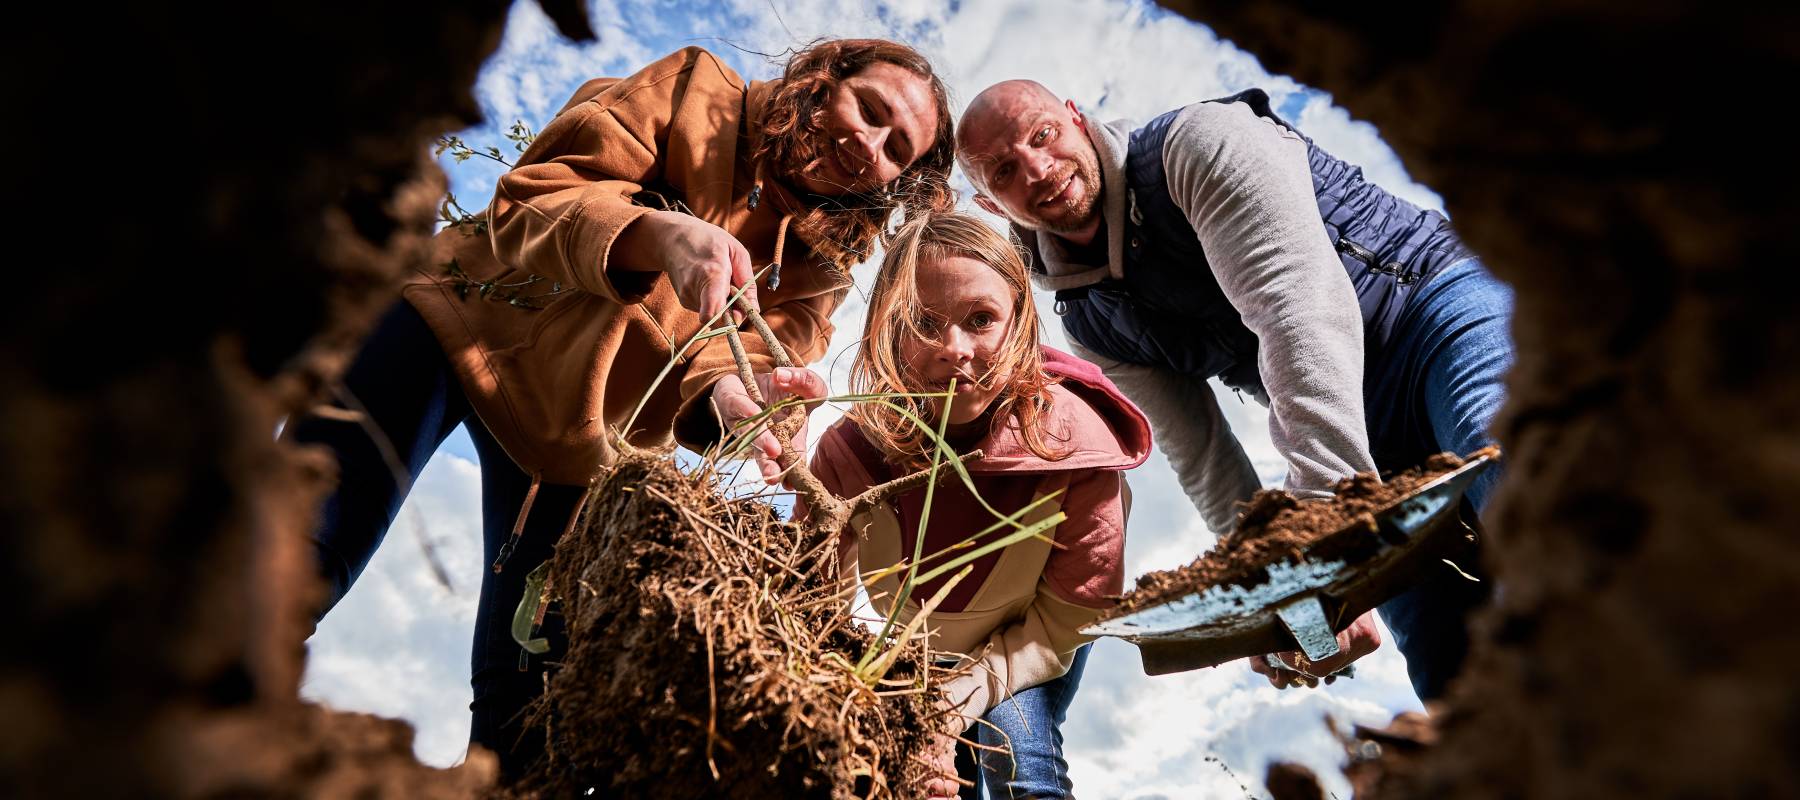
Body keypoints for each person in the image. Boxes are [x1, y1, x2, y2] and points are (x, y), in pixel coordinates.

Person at [286, 40, 955, 778]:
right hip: (452, 328)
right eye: (871, 111)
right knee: (297, 555)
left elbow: (759, 362)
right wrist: (659, 233)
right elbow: (534, 198)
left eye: (898, 147)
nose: (871, 144)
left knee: (529, 703)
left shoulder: (822, 260)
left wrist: (742, 399)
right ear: (824, 77)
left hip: (581, 445)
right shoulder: (695, 90)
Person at [956, 79, 1513, 702]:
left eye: (1043, 134)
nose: (1037, 167)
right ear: (991, 204)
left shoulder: (1199, 144)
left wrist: (1323, 553)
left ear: (1077, 118)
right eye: (1005, 170)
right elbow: (1202, 456)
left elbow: (1299, 311)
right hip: (1366, 436)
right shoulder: (1089, 319)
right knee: (1451, 668)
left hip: (1430, 310)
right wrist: (1280, 602)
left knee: (1520, 482)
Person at [806, 212, 1150, 799]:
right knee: (927, 779)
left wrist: (955, 703)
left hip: (1032, 640)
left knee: (1019, 757)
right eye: (922, 322)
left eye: (981, 320)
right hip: (918, 653)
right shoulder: (850, 452)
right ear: (887, 329)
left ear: (1018, 324)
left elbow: (1070, 617)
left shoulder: (1078, 448)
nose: (954, 350)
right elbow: (820, 613)